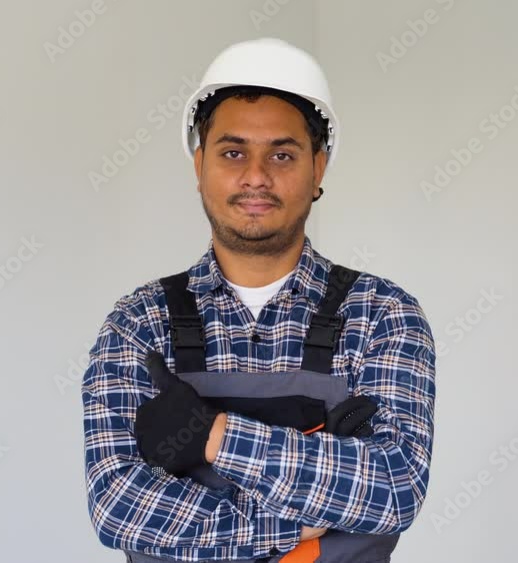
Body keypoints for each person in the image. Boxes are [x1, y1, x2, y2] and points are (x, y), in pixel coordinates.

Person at [81, 37, 437, 563]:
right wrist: (304, 519)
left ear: (318, 169)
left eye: (282, 154)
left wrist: (215, 436)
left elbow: (393, 491)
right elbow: (119, 510)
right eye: (233, 152)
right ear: (199, 166)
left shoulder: (381, 314)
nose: (256, 175)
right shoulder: (139, 323)